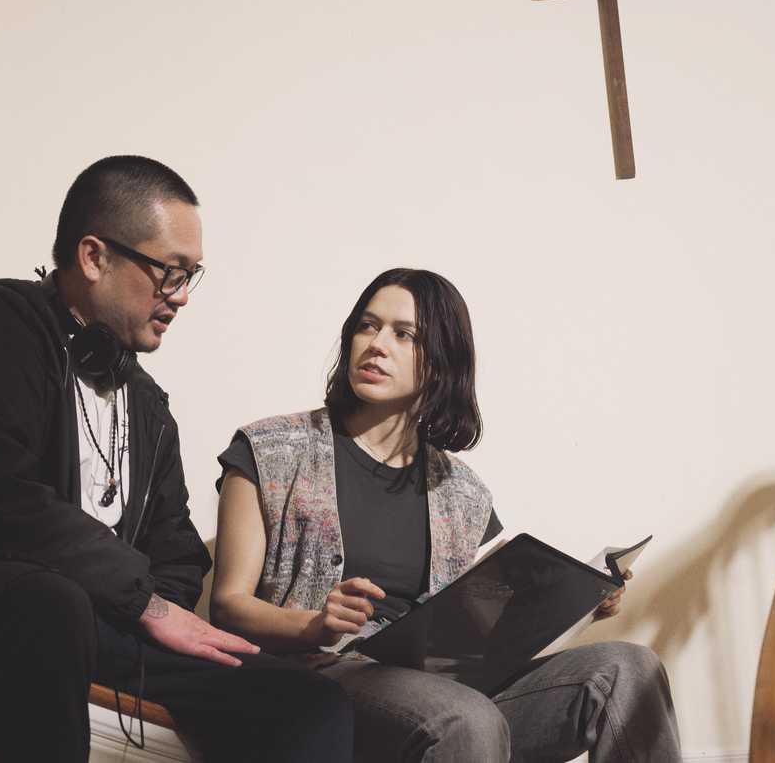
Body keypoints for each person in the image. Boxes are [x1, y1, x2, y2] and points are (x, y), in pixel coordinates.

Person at [0, 156, 351, 763]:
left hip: (100, 617)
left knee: (310, 701)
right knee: (55, 604)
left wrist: (146, 608)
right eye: (170, 272)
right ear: (93, 257)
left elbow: (179, 555)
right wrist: (143, 603)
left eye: (192, 276)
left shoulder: (148, 406)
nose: (182, 297)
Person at [210, 267, 683, 763]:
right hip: (318, 680)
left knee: (628, 669)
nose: (376, 345)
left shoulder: (463, 493)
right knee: (464, 716)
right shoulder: (271, 449)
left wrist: (578, 605)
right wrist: (314, 625)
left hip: (440, 687)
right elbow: (228, 605)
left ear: (440, 363)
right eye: (367, 326)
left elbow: (475, 643)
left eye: (404, 335)